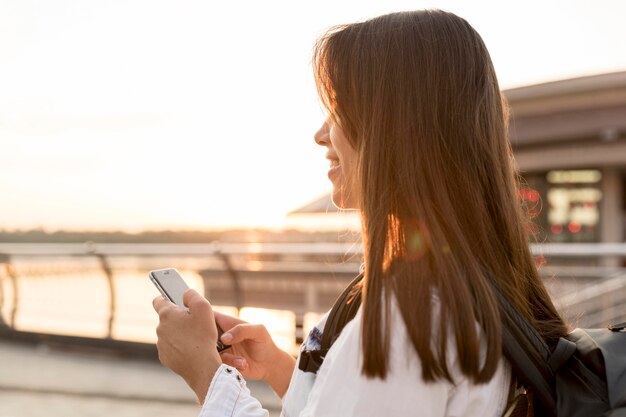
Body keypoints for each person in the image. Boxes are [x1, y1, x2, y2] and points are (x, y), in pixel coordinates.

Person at [152, 9, 567, 417]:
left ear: (394, 126)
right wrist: (280, 368)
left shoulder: (407, 325)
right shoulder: (477, 284)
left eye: (338, 108)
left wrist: (206, 375)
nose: (320, 134)